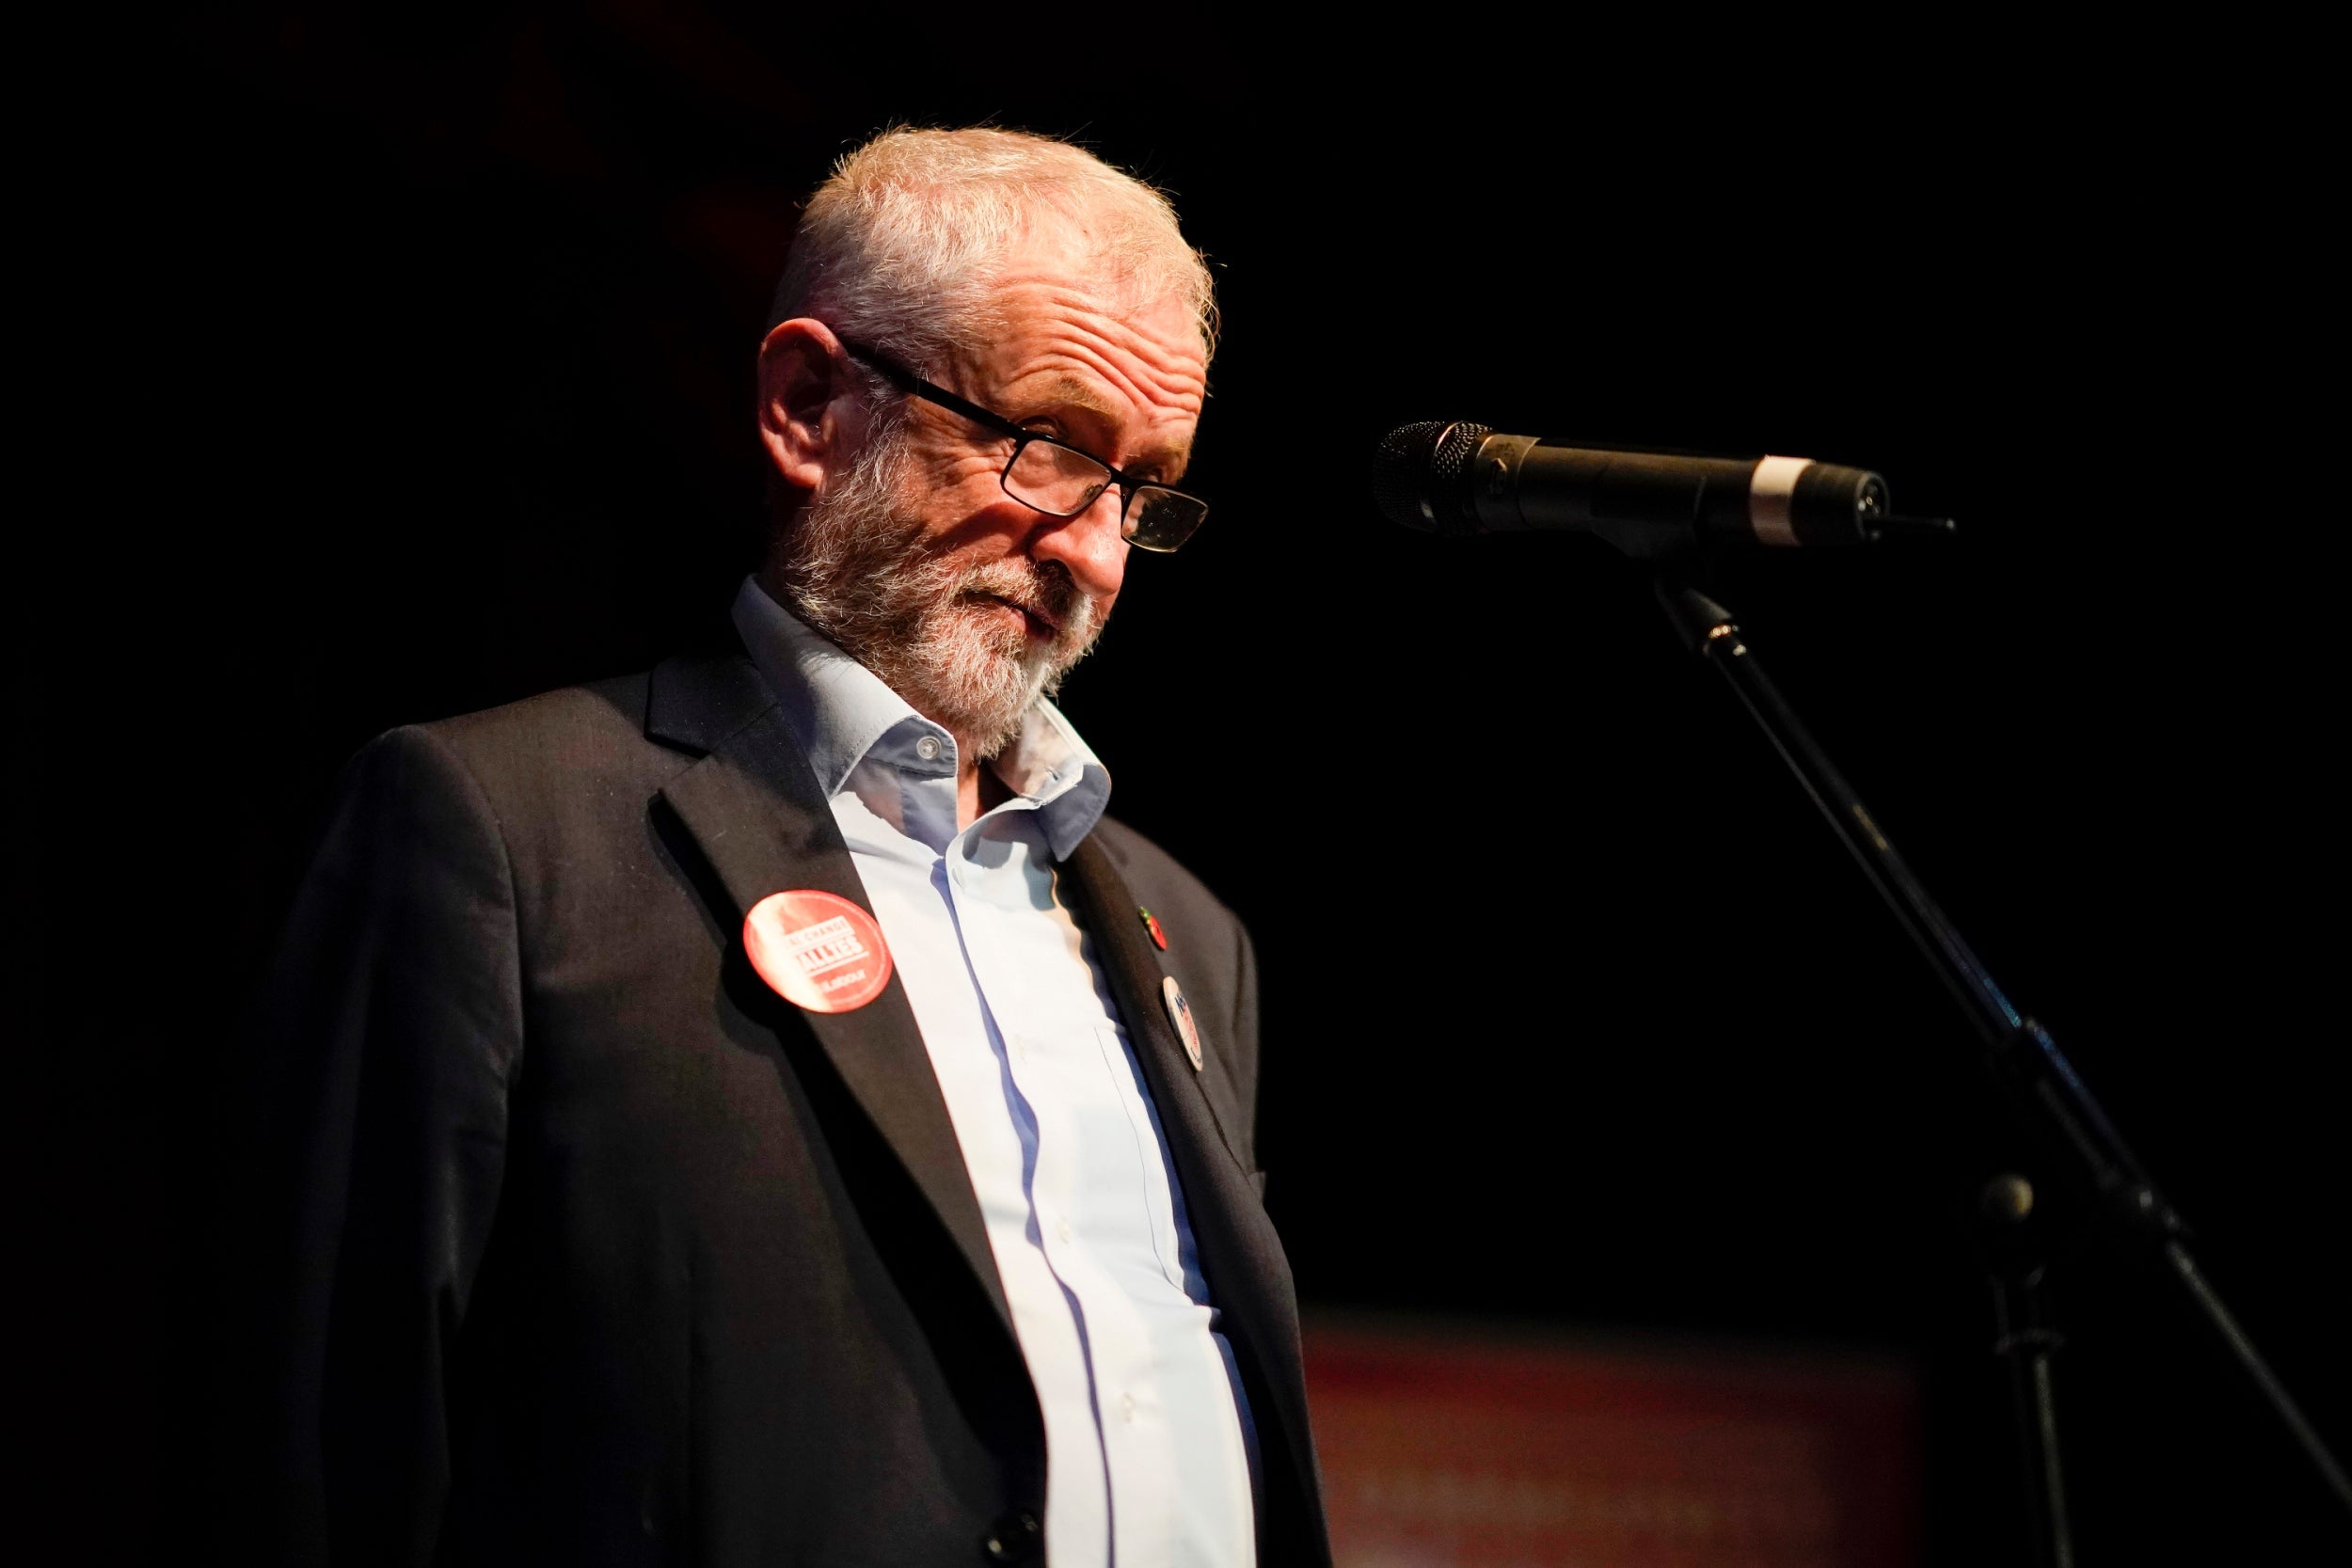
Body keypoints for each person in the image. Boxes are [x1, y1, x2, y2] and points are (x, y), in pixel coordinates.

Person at [230, 127, 1328, 1566]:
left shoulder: (1193, 937)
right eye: (1050, 446)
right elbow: (322, 1457)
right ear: (810, 405)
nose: (1098, 553)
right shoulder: (507, 837)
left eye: (1141, 486)